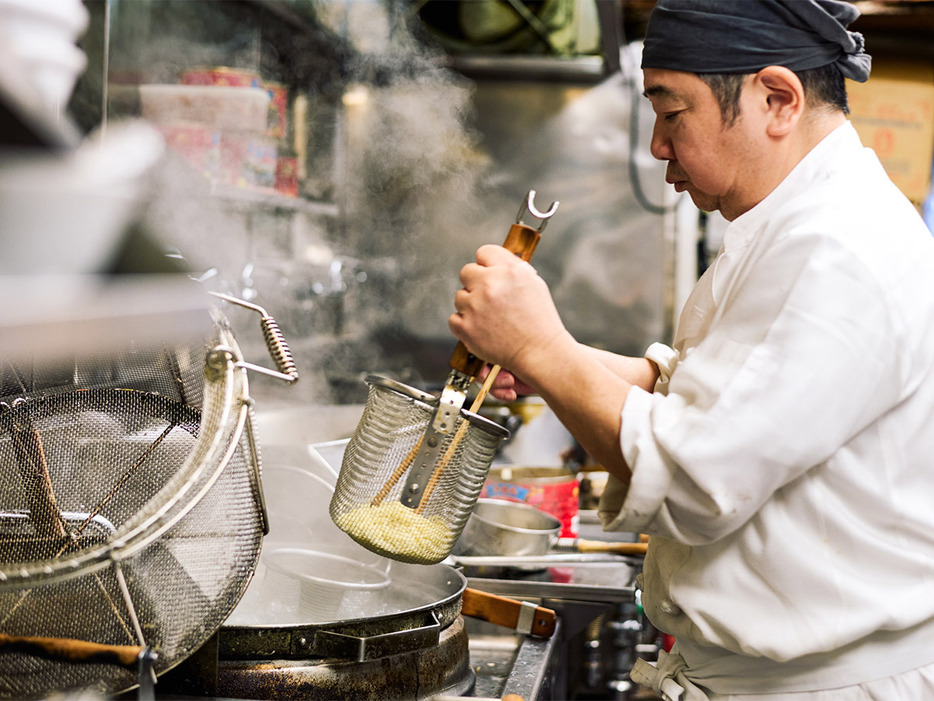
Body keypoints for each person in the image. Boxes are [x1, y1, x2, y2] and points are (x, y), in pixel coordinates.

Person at [448, 0, 934, 698]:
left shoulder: (839, 247)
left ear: (777, 99)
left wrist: (541, 343)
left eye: (673, 114)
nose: (657, 146)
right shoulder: (796, 223)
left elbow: (699, 472)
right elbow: (706, 392)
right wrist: (543, 363)